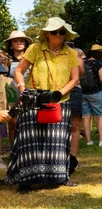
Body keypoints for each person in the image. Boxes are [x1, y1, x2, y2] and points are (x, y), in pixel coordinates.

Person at [6, 17, 80, 193]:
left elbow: (75, 78)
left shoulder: (71, 53)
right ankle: (26, 181)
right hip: (34, 98)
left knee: (59, 141)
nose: (59, 35)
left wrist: (59, 93)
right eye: (55, 32)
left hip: (59, 100)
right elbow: (18, 71)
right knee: (29, 140)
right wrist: (23, 89)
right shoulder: (35, 48)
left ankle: (60, 177)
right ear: (47, 34)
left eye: (62, 32)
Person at [81, 44, 102, 147]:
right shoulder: (99, 63)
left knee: (86, 117)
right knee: (100, 116)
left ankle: (88, 141)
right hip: (96, 92)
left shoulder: (83, 62)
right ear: (99, 54)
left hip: (84, 93)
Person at [4, 30, 33, 146]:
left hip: (29, 93)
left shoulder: (32, 58)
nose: (19, 43)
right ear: (11, 44)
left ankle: (28, 148)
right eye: (15, 41)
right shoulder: (5, 59)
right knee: (12, 123)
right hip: (11, 93)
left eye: (21, 41)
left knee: (29, 122)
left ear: (26, 43)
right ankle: (14, 150)